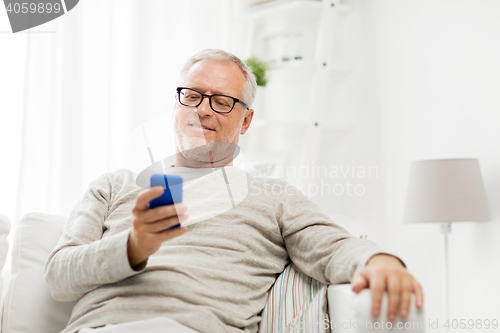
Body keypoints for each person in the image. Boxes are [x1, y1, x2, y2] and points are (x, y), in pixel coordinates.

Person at [45, 49, 423, 333]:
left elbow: (332, 245)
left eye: (222, 101)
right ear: (177, 105)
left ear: (246, 121)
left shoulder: (274, 196)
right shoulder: (114, 186)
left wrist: (381, 261)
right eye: (192, 95)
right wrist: (134, 246)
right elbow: (59, 277)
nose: (203, 110)